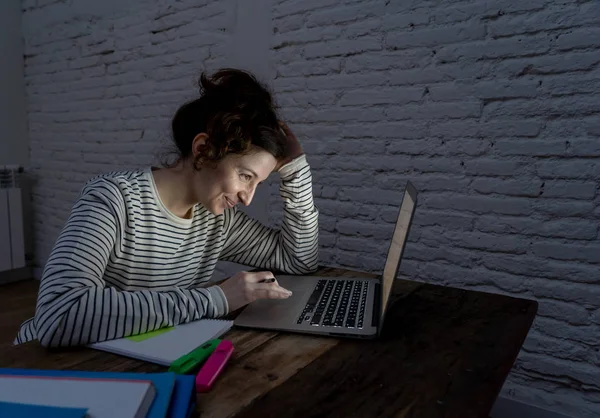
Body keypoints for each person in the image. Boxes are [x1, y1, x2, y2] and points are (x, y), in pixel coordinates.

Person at [15, 68, 319, 348]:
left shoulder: (217, 221)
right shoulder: (114, 200)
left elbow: (297, 259)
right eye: (245, 176)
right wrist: (219, 298)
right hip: (50, 367)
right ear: (203, 150)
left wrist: (295, 170)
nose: (247, 198)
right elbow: (59, 315)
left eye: (258, 183)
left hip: (133, 361)